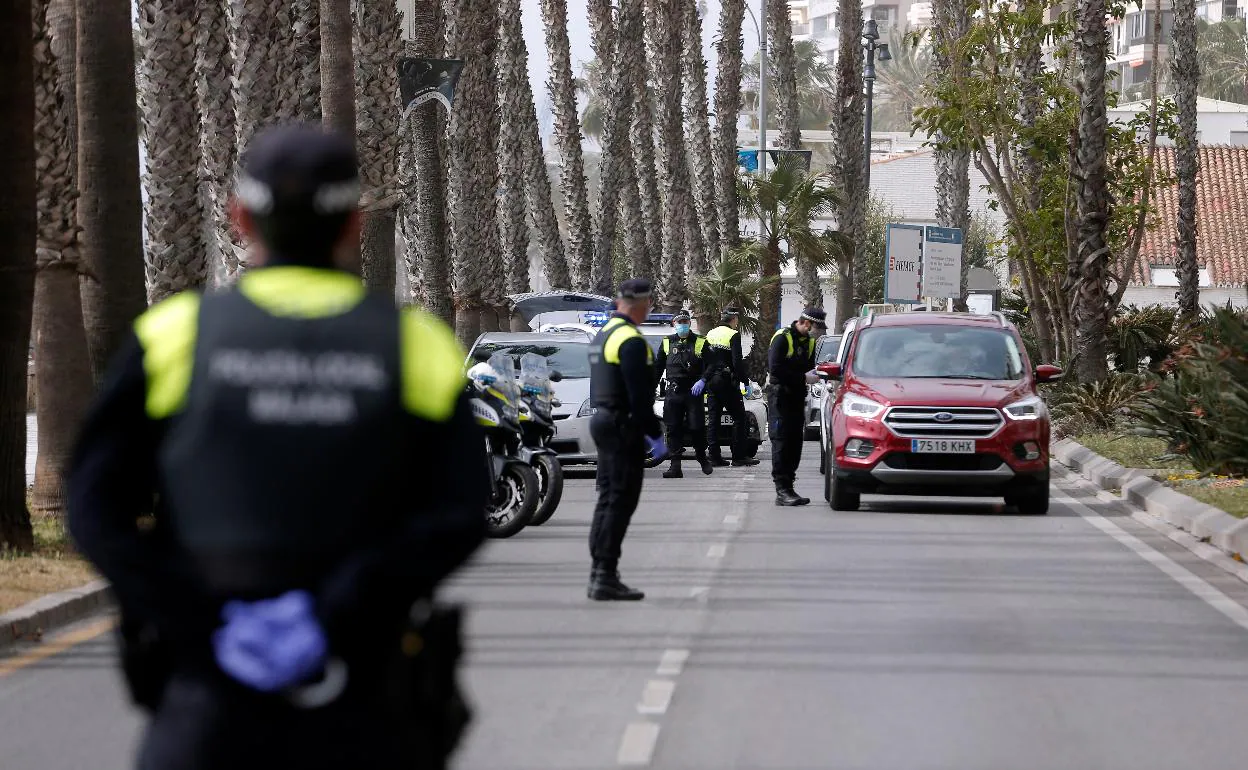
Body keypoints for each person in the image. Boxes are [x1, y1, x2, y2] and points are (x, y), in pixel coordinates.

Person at [65, 123, 488, 770]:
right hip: (366, 704)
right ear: (353, 223)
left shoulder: (174, 335)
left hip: (208, 706)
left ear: (240, 218)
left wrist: (202, 620)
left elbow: (95, 505)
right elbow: (459, 513)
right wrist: (335, 613)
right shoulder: (414, 346)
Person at [586, 278, 667, 601]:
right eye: (649, 304)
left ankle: (600, 572)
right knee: (620, 501)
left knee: (608, 499)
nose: (650, 310)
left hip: (604, 420)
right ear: (641, 303)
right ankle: (605, 574)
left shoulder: (604, 333)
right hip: (623, 425)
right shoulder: (631, 340)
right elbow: (639, 398)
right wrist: (655, 434)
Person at [767, 308, 826, 506]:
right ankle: (781, 489)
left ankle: (789, 486)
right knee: (782, 442)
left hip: (797, 397)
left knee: (794, 444)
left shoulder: (808, 342)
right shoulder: (783, 338)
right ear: (806, 323)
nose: (816, 333)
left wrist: (817, 373)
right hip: (780, 397)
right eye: (816, 328)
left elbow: (808, 367)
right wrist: (802, 377)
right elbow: (775, 368)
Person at [653, 310, 714, 478]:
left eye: (685, 322)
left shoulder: (701, 342)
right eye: (680, 322)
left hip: (693, 392)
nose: (683, 325)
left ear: (689, 323)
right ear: (674, 324)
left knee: (697, 427)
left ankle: (702, 457)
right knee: (673, 428)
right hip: (673, 391)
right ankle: (675, 466)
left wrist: (703, 380)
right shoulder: (667, 342)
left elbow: (713, 364)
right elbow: (658, 367)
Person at [695, 308, 760, 467]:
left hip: (711, 381)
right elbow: (737, 362)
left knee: (713, 419)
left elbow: (705, 360)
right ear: (734, 319)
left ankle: (715, 457)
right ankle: (738, 457)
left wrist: (704, 379)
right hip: (727, 382)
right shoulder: (733, 335)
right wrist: (745, 381)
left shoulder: (710, 334)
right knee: (739, 418)